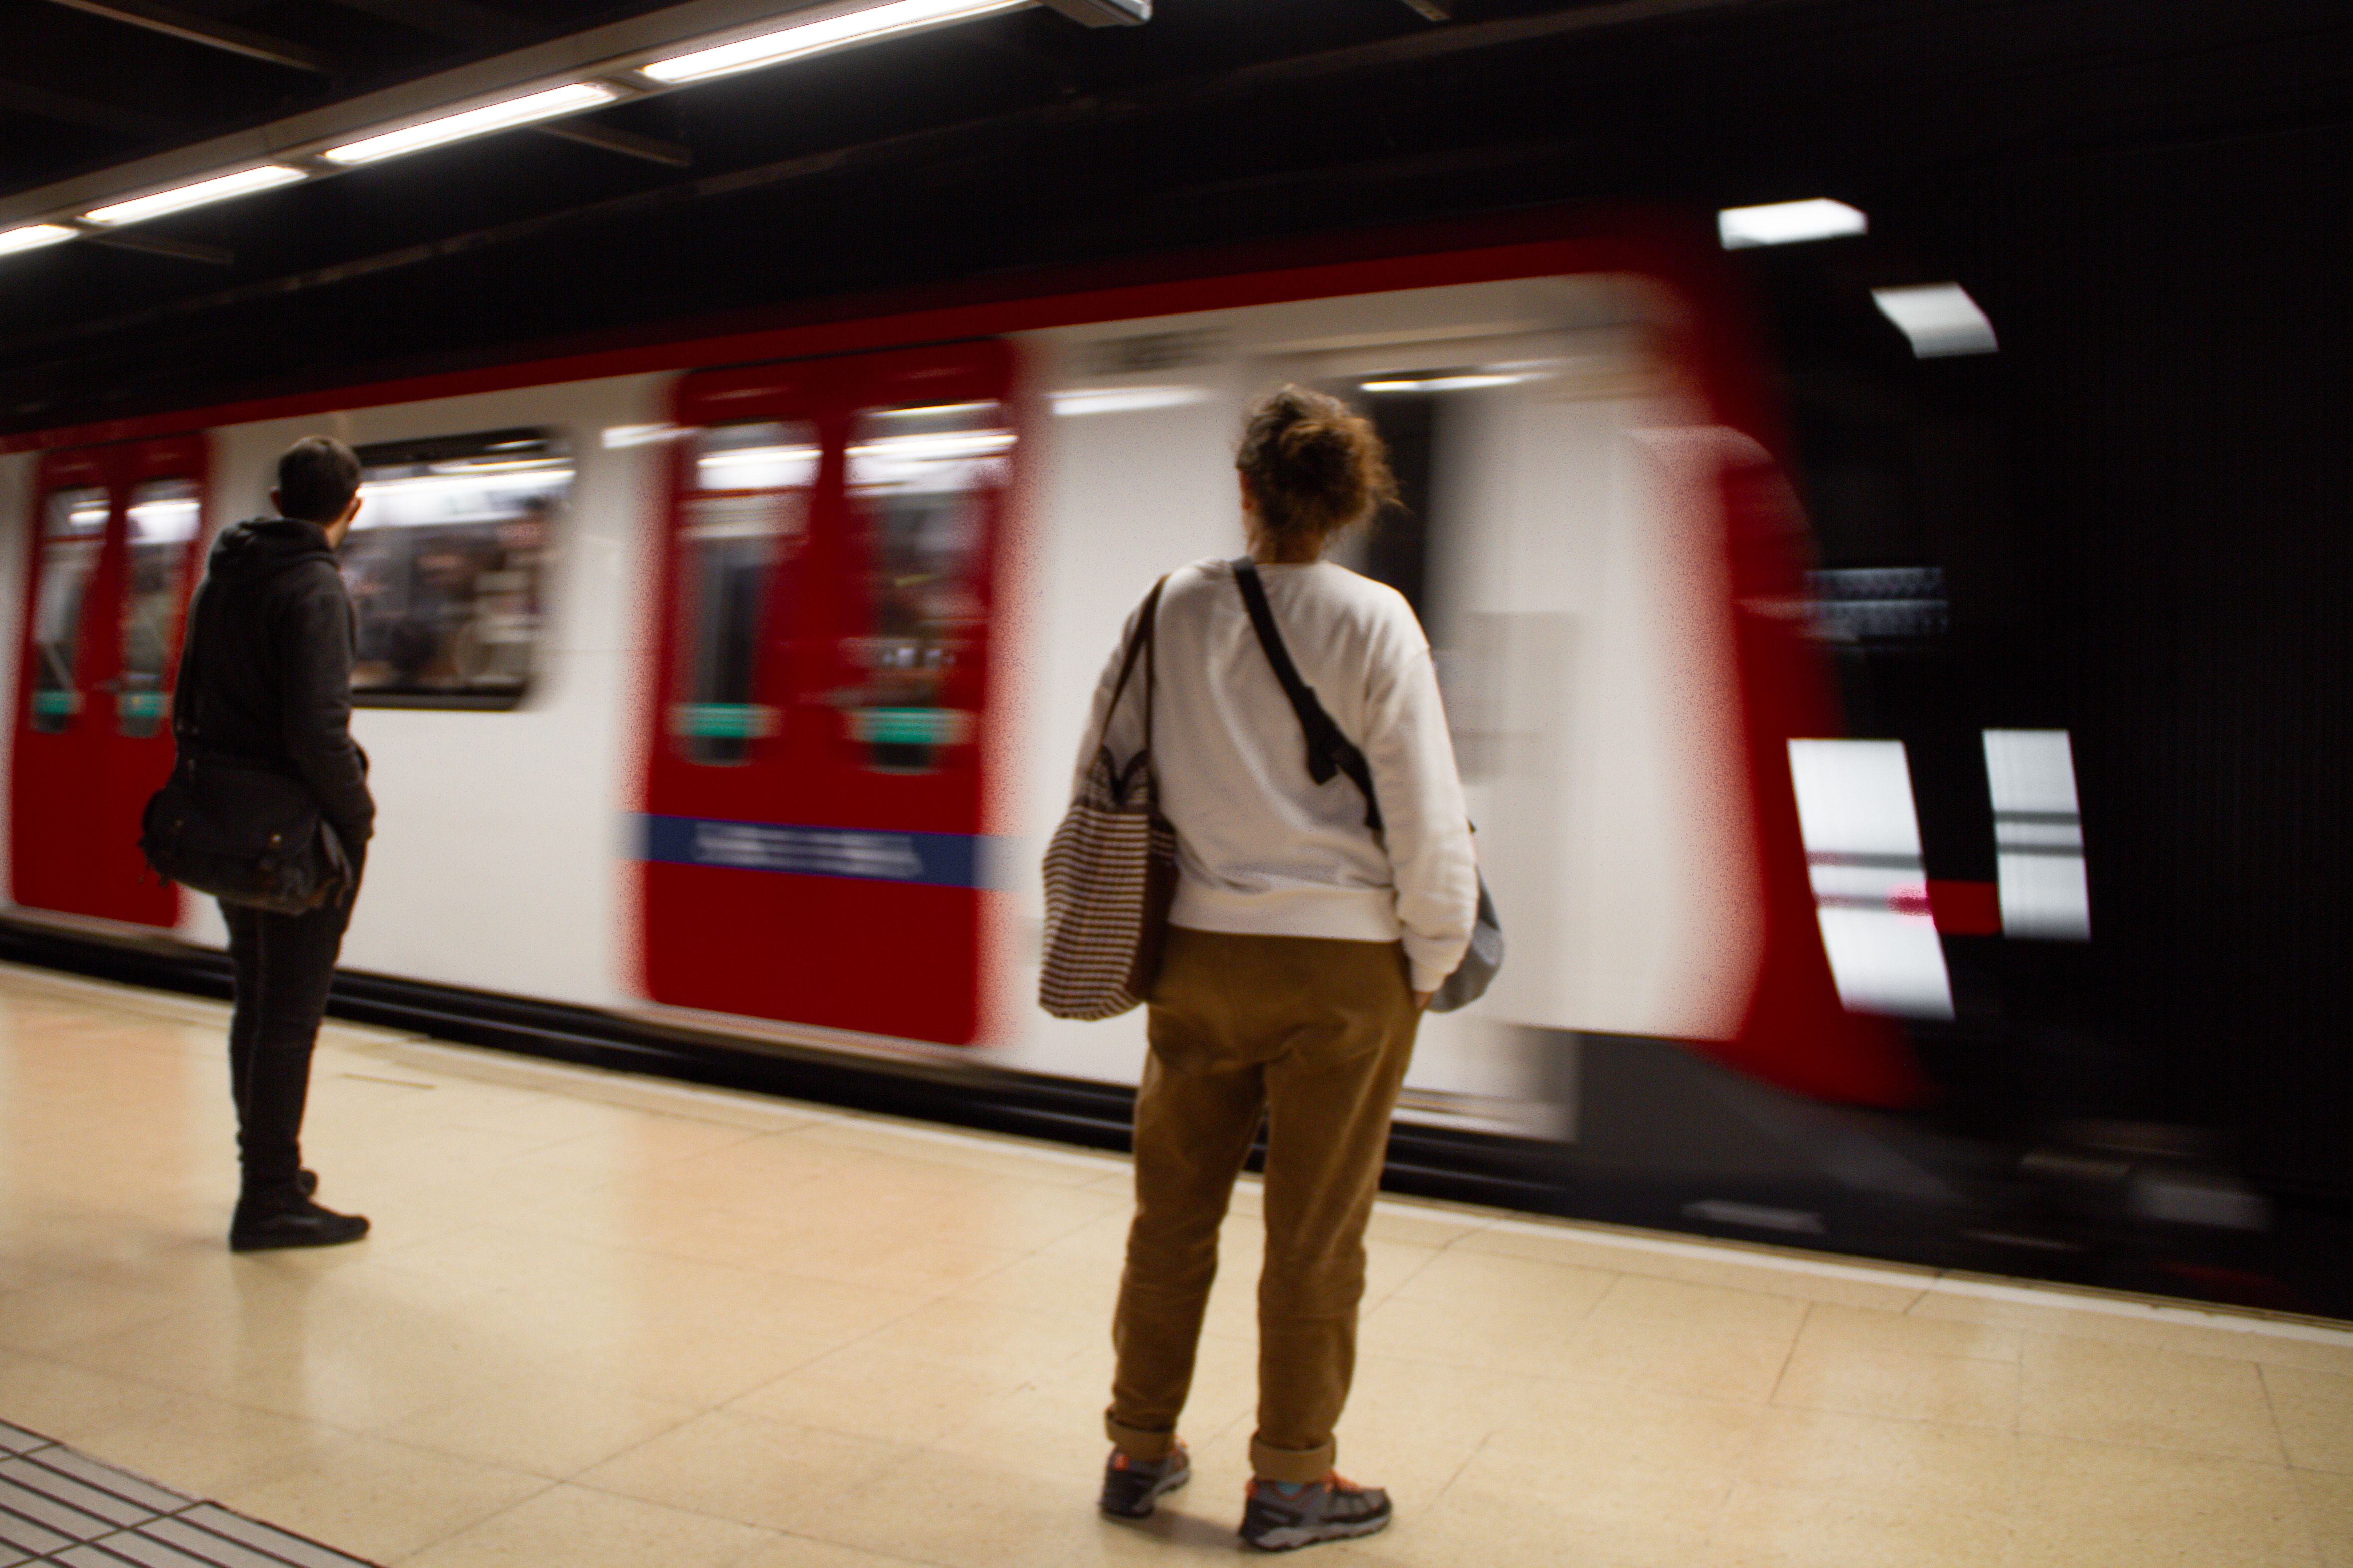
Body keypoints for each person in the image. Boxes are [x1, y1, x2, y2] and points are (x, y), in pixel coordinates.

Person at [1082, 387, 1479, 1550]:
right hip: (1348, 975)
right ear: (1349, 508)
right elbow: (1425, 808)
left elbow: (1102, 772)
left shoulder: (1171, 607)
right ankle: (1294, 1484)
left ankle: (1138, 1451)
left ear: (1246, 492)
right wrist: (1434, 953)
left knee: (1171, 1218)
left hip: (1200, 961)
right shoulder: (1379, 620)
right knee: (1315, 1234)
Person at [174, 436, 377, 1252]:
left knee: (255, 1002)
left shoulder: (225, 577)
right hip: (293, 832)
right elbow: (319, 731)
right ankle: (267, 1199)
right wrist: (355, 819)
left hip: (229, 822)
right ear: (351, 509)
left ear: (275, 496)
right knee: (290, 1017)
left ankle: (269, 1171)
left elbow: (187, 701)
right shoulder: (315, 588)